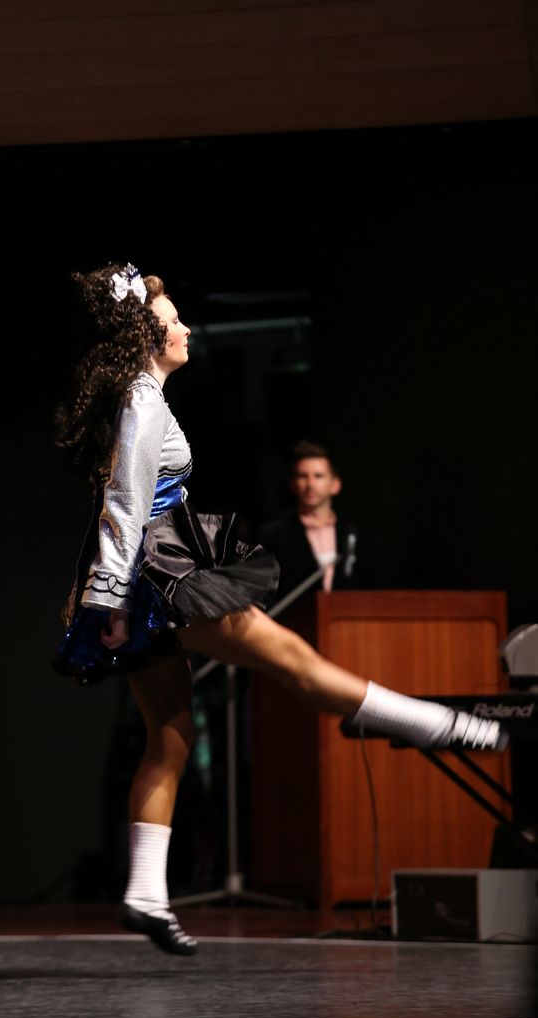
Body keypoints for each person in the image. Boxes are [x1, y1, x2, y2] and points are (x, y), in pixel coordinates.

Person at [52, 262, 507, 957]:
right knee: (294, 662)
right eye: (173, 321)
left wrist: (110, 596)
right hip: (161, 576)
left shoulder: (140, 395)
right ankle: (440, 725)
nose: (185, 329)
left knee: (170, 735)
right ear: (147, 335)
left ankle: (145, 894)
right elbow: (124, 504)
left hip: (145, 579)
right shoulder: (141, 399)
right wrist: (111, 599)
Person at [258, 440, 361, 601]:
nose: (310, 484)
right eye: (303, 476)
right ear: (293, 485)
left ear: (335, 485)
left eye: (318, 476)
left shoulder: (353, 534)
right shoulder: (273, 535)